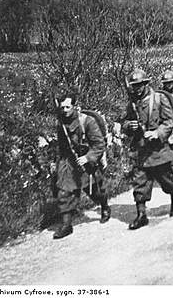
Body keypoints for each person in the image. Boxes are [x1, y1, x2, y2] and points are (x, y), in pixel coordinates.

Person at [122, 69, 173, 230]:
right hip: (141, 150)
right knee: (140, 182)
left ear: (146, 84)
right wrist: (130, 126)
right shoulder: (132, 103)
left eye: (140, 85)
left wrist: (157, 133)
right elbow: (125, 122)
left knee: (166, 181)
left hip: (158, 150)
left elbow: (169, 122)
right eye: (135, 86)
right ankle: (141, 214)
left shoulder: (159, 99)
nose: (138, 88)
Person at [52, 90, 110, 239]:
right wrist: (57, 163)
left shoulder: (87, 121)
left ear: (74, 106)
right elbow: (61, 145)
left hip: (86, 161)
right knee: (63, 192)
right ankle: (66, 225)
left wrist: (88, 157)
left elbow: (99, 144)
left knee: (95, 192)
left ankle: (104, 205)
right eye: (62, 107)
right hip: (69, 162)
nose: (64, 111)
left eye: (67, 107)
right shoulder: (61, 123)